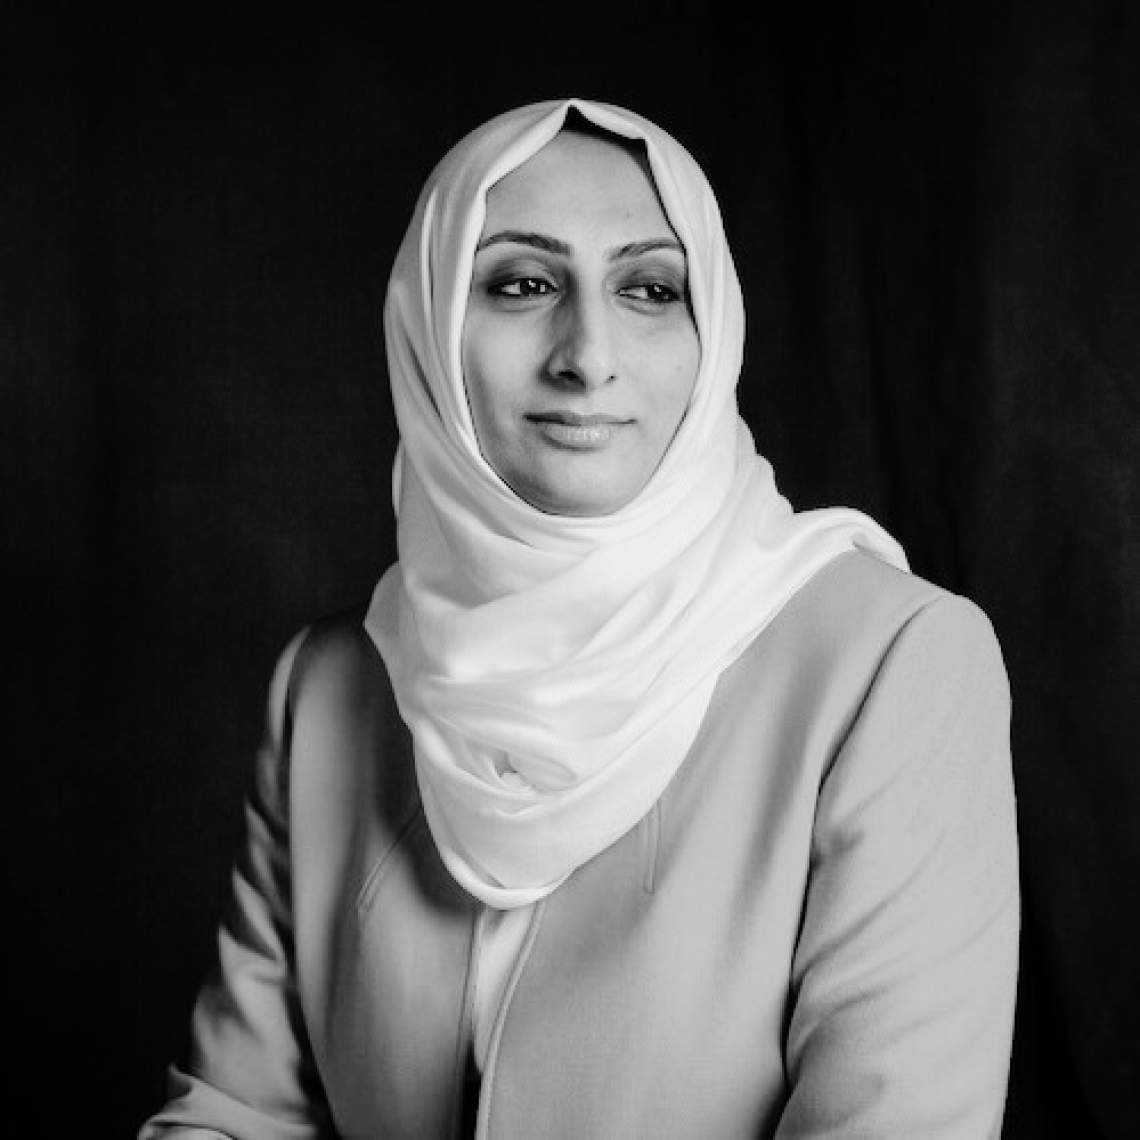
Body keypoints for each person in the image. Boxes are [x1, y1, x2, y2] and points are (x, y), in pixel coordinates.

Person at [139, 98, 1019, 1139]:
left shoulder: (892, 666)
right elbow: (236, 1113)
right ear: (425, 328)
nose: (587, 354)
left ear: (713, 331)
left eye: (649, 289)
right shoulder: (333, 687)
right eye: (523, 284)